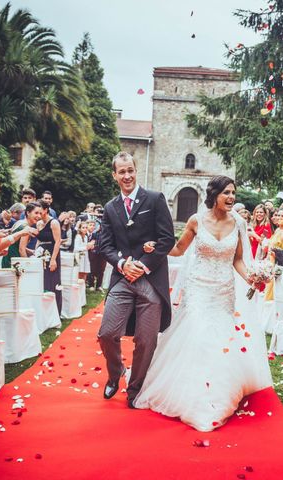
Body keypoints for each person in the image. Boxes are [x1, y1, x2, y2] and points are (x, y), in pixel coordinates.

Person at [134, 176, 273, 431]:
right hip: (198, 288)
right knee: (198, 337)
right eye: (226, 193)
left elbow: (238, 260)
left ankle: (217, 394)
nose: (231, 197)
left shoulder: (239, 222)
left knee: (221, 341)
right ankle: (192, 394)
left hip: (224, 291)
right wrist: (156, 249)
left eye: (234, 192)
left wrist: (252, 278)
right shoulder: (197, 221)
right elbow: (178, 249)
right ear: (214, 194)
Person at [97, 151, 175, 409]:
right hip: (122, 280)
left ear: (135, 170)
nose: (127, 175)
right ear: (114, 175)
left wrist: (142, 265)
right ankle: (115, 371)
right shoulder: (110, 207)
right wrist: (121, 264)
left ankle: (135, 389)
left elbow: (167, 239)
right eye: (122, 171)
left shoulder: (154, 199)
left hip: (150, 282)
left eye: (130, 170)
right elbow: (104, 245)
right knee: (107, 333)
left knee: (146, 341)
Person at [33, 199, 62, 313]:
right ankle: (44, 312)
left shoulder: (54, 222)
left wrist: (53, 260)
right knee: (42, 280)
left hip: (52, 253)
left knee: (52, 281)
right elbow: (38, 241)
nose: (39, 215)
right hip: (41, 254)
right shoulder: (39, 223)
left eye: (40, 212)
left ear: (46, 210)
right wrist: (35, 254)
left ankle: (55, 312)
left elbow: (58, 241)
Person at [87, 220, 106, 291]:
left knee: (101, 270)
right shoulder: (95, 233)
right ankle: (91, 285)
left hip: (103, 253)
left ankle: (98, 286)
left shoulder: (108, 233)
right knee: (92, 269)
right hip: (94, 253)